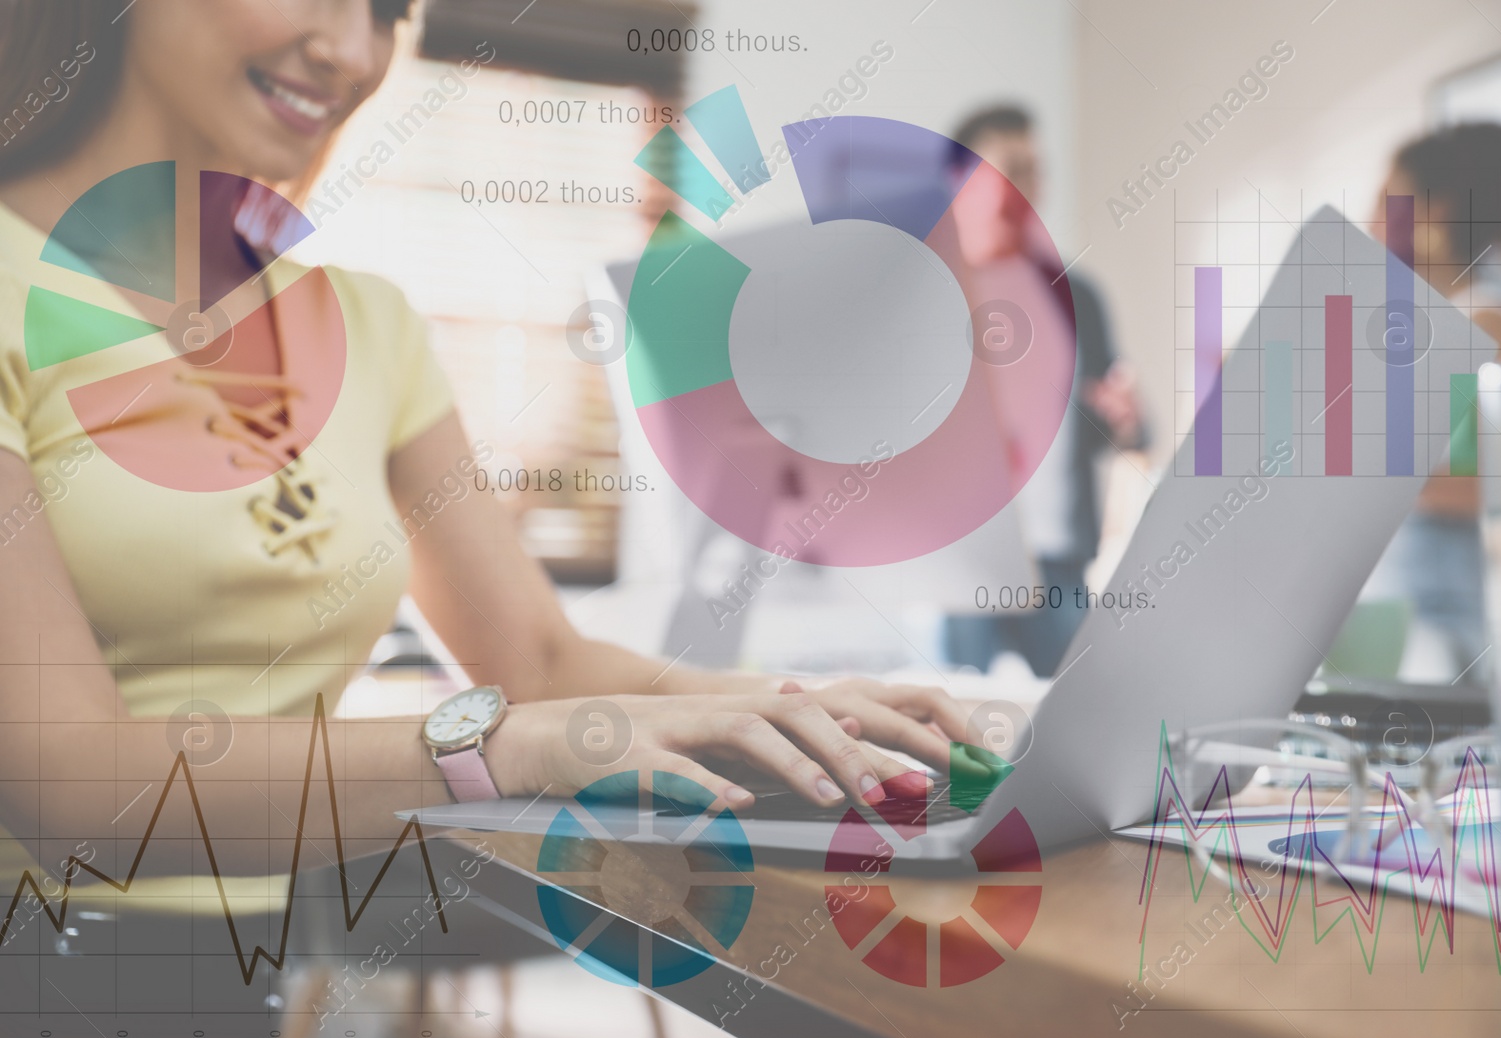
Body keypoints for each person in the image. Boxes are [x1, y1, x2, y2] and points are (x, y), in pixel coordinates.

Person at [0, 0, 968, 923]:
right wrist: (503, 746)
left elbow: (539, 659)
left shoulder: (362, 324)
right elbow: (74, 783)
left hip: (248, 980)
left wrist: (795, 708)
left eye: (386, 10)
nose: (349, 50)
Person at [940, 104, 1147, 676]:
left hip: (1060, 560)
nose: (1028, 185)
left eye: (1036, 169)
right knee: (956, 738)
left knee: (1069, 719)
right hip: (966, 559)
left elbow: (1116, 422)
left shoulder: (1078, 297)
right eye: (1010, 167)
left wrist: (1126, 417)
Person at [1358, 123, 1501, 682]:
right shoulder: (1430, 323)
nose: (1371, 220)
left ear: (1432, 215)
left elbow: (1480, 482)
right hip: (1405, 612)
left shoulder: (1481, 317)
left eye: (1388, 201)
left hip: (1443, 625)